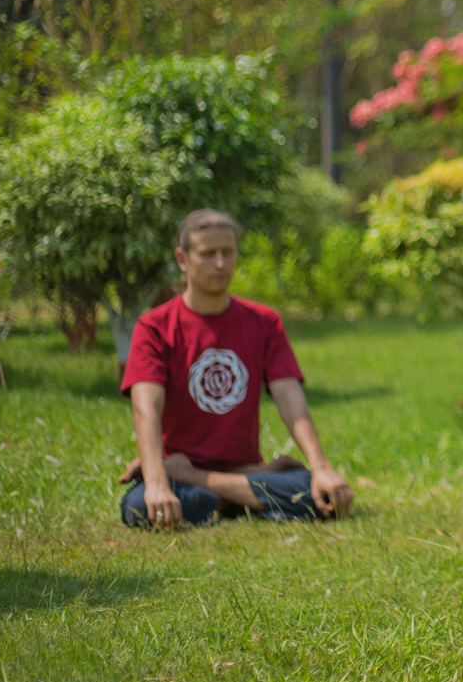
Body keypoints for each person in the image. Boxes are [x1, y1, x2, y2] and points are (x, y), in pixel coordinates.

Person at [117, 209, 354, 528]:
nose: (220, 263)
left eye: (227, 253)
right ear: (183, 259)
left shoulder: (264, 322)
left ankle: (214, 488)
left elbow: (290, 399)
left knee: (323, 496)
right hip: (182, 471)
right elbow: (146, 410)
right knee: (138, 508)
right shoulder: (154, 327)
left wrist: (321, 466)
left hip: (195, 472)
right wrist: (158, 483)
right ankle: (250, 491)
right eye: (208, 254)